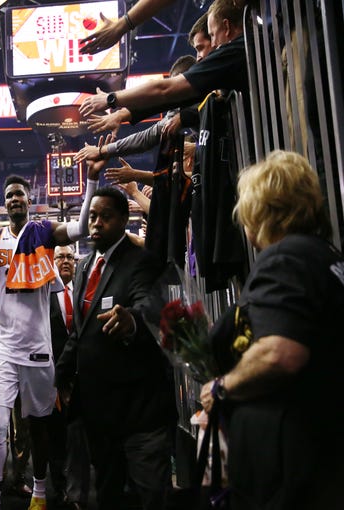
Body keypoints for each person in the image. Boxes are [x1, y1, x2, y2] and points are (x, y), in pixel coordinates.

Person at [0, 144, 108, 509]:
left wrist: (91, 179)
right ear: (4, 204)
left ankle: (41, 490)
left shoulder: (44, 233)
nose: (14, 199)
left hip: (38, 348)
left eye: (19, 195)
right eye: (9, 196)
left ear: (29, 201)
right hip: (3, 349)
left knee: (40, 426)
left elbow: (79, 228)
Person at [199, 150, 343, 509]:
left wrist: (221, 388)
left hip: (295, 470)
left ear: (258, 213)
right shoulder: (324, 256)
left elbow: (280, 353)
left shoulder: (285, 258)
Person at [55, 186, 176, 510]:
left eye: (105, 217)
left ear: (124, 219)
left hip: (140, 411)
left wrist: (132, 321)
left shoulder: (141, 261)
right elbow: (80, 332)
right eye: (92, 216)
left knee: (150, 497)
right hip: (100, 414)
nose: (96, 224)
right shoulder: (83, 266)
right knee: (107, 497)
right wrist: (60, 373)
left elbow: (148, 307)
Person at [79, 0, 246, 135]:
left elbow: (165, 90)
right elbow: (169, 98)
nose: (215, 44)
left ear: (227, 27)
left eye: (212, 35)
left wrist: (111, 99)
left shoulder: (233, 53)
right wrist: (121, 113)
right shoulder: (233, 56)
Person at [48, 245, 91, 510]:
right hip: (51, 377)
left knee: (79, 437)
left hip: (82, 376)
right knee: (55, 438)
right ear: (52, 262)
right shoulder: (43, 294)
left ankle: (76, 493)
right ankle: (60, 487)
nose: (66, 261)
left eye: (70, 257)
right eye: (60, 257)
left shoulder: (84, 292)